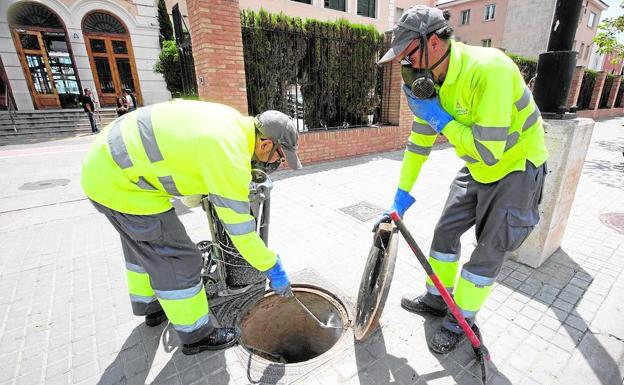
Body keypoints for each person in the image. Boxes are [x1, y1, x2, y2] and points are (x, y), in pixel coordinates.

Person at [375, 5, 548, 354]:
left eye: (409, 55)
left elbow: (489, 152)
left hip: (516, 167)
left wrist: (441, 120)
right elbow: (418, 145)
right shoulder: (430, 82)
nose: (406, 67)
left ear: (435, 43)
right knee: (445, 231)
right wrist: (400, 198)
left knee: (487, 251)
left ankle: (462, 319)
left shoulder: (490, 71)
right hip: (479, 166)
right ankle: (438, 300)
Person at [81, 100, 302, 355]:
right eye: (278, 157)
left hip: (105, 166)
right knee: (180, 258)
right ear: (265, 144)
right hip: (121, 183)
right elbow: (240, 231)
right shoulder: (229, 155)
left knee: (144, 247)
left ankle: (152, 306)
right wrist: (271, 265)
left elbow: (187, 169)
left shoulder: (231, 122)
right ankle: (197, 334)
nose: (275, 164)